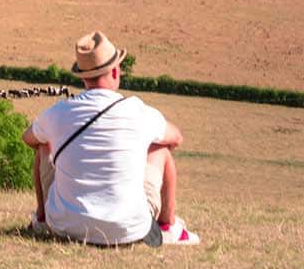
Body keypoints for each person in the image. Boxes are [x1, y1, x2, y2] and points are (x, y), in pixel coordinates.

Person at [22, 30, 200, 247]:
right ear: (115, 72)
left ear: (83, 77)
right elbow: (176, 138)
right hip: (128, 228)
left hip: (65, 225)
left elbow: (29, 137)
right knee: (160, 149)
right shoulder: (137, 110)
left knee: (43, 146)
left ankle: (41, 219)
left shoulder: (59, 111)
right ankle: (167, 226)